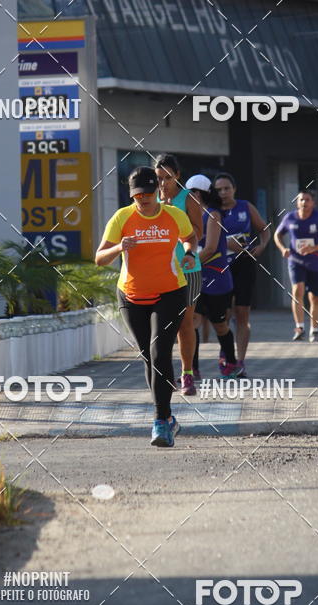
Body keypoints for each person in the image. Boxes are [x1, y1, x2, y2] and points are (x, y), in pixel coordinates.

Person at [95, 166, 197, 448]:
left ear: (157, 192)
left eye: (148, 194)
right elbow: (99, 258)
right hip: (131, 296)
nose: (144, 200)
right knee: (148, 358)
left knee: (159, 352)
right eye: (138, 195)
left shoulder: (174, 215)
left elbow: (190, 238)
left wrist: (190, 254)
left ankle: (160, 421)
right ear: (131, 195)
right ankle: (169, 417)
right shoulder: (122, 217)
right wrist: (119, 248)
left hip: (171, 292)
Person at [155, 153, 203, 395]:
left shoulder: (189, 198)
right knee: (162, 326)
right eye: (159, 178)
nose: (163, 183)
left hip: (187, 269)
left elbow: (198, 233)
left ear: (178, 176)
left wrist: (174, 217)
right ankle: (165, 374)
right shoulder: (151, 199)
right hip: (159, 270)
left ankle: (187, 374)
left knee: (185, 323)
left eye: (168, 177)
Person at [214, 172, 271, 377]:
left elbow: (264, 229)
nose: (223, 193)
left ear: (234, 189)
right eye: (218, 190)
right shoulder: (211, 211)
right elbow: (201, 238)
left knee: (242, 313)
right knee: (224, 314)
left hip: (244, 264)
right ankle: (226, 352)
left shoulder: (245, 207)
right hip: (221, 265)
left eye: (226, 188)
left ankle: (240, 361)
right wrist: (225, 243)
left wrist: (262, 245)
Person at [186, 175, 243, 377]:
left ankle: (232, 363)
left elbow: (210, 248)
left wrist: (188, 264)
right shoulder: (188, 215)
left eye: (188, 193)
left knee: (220, 325)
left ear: (198, 193)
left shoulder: (213, 214)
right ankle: (192, 369)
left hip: (216, 279)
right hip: (195, 279)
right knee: (192, 322)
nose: (185, 197)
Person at [274, 190, 318, 342]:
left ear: (313, 203)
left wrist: (314, 248)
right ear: (297, 202)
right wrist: (283, 249)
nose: (304, 202)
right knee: (297, 290)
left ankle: (314, 330)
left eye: (307, 200)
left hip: (315, 262)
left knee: (315, 297)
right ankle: (299, 328)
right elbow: (277, 235)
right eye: (301, 199)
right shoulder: (290, 217)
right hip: (295, 261)